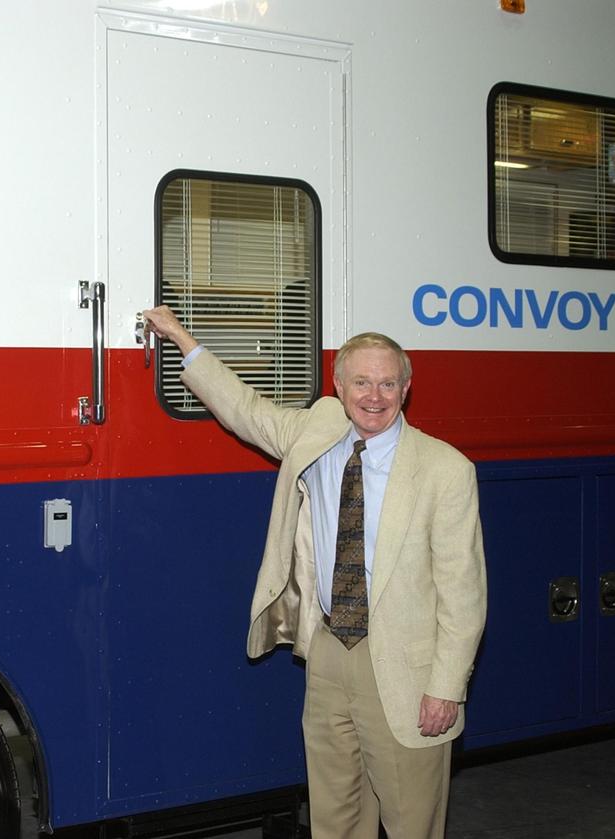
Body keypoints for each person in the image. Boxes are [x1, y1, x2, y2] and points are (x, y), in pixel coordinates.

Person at [141, 305, 487, 839]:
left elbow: (464, 594)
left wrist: (446, 687)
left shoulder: (444, 469)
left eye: (388, 383)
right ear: (339, 384)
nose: (375, 396)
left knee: (411, 824)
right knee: (335, 817)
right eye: (363, 382)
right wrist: (181, 337)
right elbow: (246, 410)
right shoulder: (319, 431)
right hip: (327, 651)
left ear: (407, 387)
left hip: (402, 667)